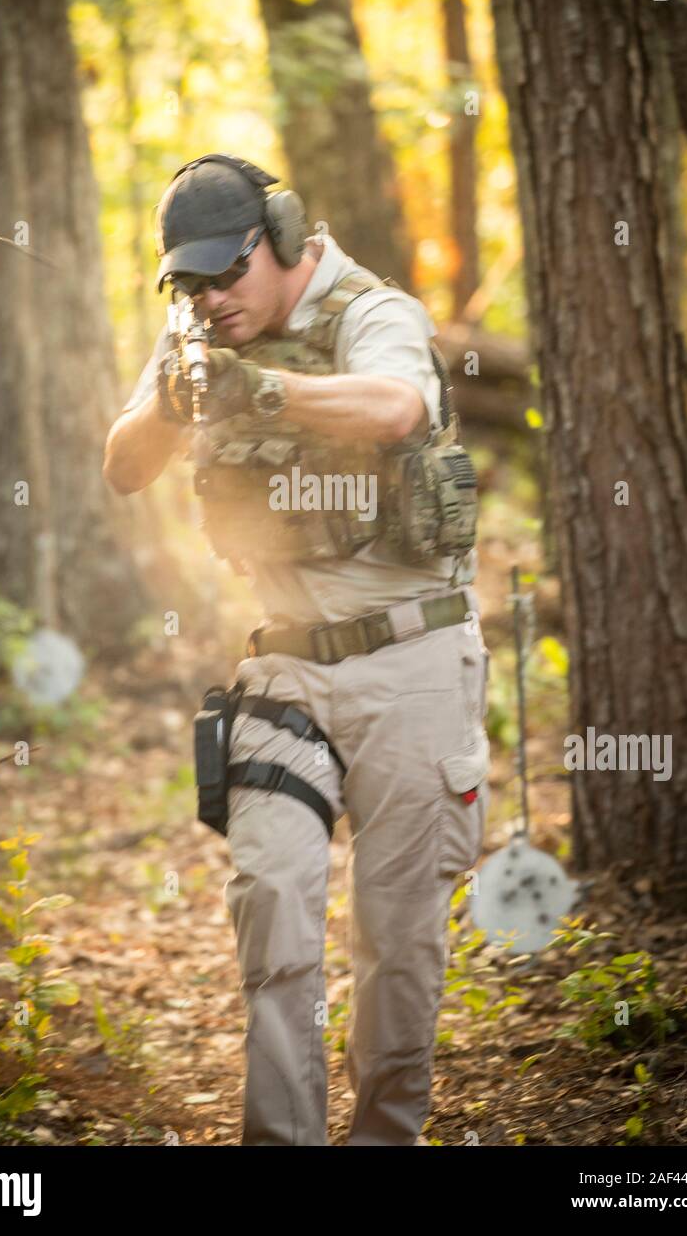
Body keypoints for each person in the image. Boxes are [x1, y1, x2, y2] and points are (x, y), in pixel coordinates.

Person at [103, 153, 491, 1146]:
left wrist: (257, 391)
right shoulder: (199, 328)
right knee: (273, 902)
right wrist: (174, 399)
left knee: (397, 943)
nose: (211, 298)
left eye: (225, 273)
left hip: (410, 660)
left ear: (279, 238)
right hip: (281, 664)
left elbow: (396, 406)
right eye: (188, 281)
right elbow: (121, 464)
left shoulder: (372, 311)